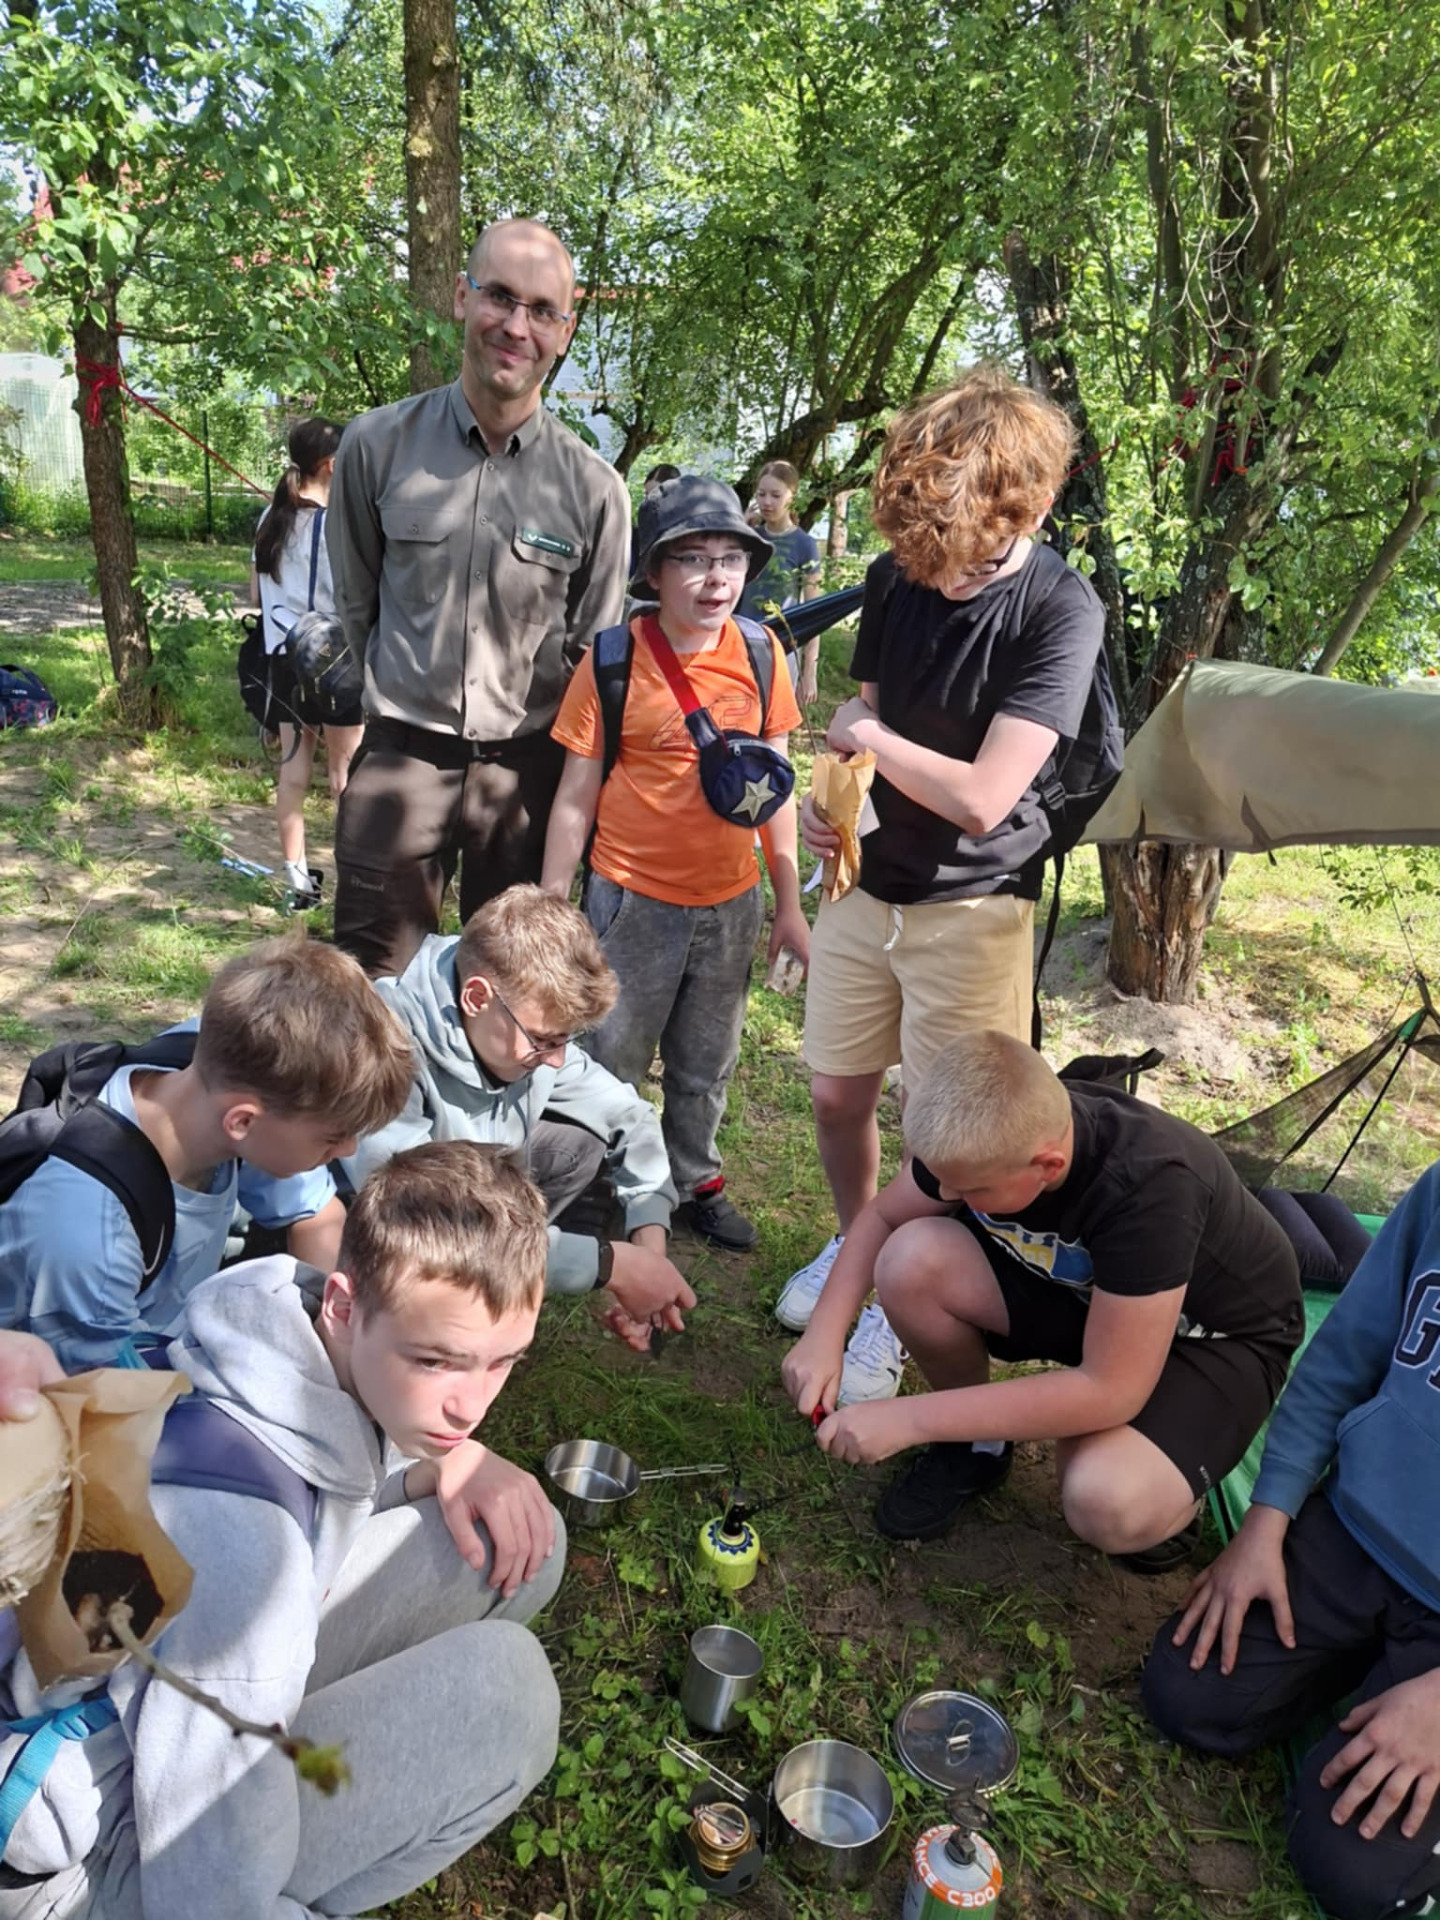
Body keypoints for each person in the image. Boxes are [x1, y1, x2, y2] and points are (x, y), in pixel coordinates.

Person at [0, 1141, 566, 1919]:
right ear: (344, 1305)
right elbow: (205, 1890)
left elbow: (314, 1485)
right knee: (511, 1698)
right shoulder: (244, 1548)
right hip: (87, 1858)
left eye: (502, 1362)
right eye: (436, 1361)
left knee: (524, 1540)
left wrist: (433, 1467)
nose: (470, 1406)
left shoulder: (265, 1336)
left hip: (159, 1721)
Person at [776, 367, 1109, 1396]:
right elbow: (865, 737)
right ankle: (860, 1249)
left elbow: (983, 797)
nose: (945, 581)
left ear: (1032, 509)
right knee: (836, 1092)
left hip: (975, 902)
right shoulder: (898, 576)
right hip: (868, 885)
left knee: (946, 1130)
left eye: (967, 561)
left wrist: (864, 732)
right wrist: (835, 813)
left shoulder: (1061, 609)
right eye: (928, 561)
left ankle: (904, 1292)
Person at [783, 1031, 1303, 1566]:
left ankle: (1172, 1496)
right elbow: (886, 1216)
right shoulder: (989, 1136)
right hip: (1096, 1302)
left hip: (1216, 1340)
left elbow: (1110, 1390)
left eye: (972, 1191)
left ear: (1047, 1166)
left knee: (1102, 1495)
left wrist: (911, 1419)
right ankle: (976, 1448)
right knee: (908, 1260)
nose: (951, 1197)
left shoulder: (1150, 1189)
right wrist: (825, 1334)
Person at [327, 218, 631, 979]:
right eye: (500, 296)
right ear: (463, 298)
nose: (516, 326)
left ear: (565, 331)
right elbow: (357, 604)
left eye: (542, 311)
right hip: (402, 760)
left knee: (512, 996)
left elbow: (592, 660)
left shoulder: (595, 490)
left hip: (526, 780)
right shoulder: (376, 446)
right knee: (373, 995)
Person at [1141, 1164, 1440, 1920]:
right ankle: (1365, 1666)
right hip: (1360, 1529)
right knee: (1186, 1694)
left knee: (1352, 1872)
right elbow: (1344, 1356)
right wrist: (1265, 1522)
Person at [541, 475, 809, 1251]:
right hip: (632, 900)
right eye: (692, 558)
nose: (716, 577)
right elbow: (575, 794)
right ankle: (601, 1182)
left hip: (731, 902)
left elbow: (776, 791)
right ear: (654, 573)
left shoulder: (761, 654)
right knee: (609, 1054)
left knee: (707, 1060)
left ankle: (695, 1180)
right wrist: (554, 904)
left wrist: (788, 904)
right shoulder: (615, 658)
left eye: (731, 558)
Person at [0, 936, 413, 1373]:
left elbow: (317, 1215)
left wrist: (337, 1349)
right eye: (333, 1137)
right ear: (242, 1121)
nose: (348, 1150)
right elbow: (108, 1397)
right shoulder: (88, 1238)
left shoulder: (223, 1065)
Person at [343, 884, 696, 1350]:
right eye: (545, 1040)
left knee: (578, 1144)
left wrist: (649, 1246)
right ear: (476, 997)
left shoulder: (515, 1021)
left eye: (567, 1039)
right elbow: (419, 1220)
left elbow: (630, 1115)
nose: (557, 1060)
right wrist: (606, 1264)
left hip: (459, 1208)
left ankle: (493, 1290)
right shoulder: (382, 1050)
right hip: (372, 1230)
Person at [250, 417, 362, 910]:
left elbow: (256, 595)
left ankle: (299, 887)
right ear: (333, 465)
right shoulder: (341, 526)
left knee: (293, 776)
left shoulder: (268, 518)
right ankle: (353, 888)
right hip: (336, 665)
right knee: (345, 777)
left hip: (282, 662)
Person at [737, 460, 824, 704]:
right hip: (742, 640)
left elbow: (813, 611)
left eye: (776, 495)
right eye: (761, 494)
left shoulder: (805, 545)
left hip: (783, 646)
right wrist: (740, 530)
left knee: (775, 718)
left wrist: (810, 672)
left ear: (792, 496)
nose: (767, 502)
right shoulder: (749, 538)